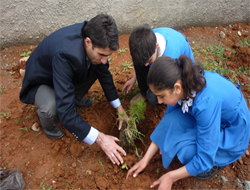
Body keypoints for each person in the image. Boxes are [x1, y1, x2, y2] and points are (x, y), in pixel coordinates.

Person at [126, 55, 250, 189]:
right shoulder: (183, 82)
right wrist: (145, 159)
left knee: (187, 152)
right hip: (213, 118)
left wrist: (170, 177)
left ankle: (219, 161)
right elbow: (169, 122)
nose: (159, 101)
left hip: (233, 133)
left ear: (177, 88)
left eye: (161, 96)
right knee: (173, 118)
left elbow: (204, 159)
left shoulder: (205, 104)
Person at [20, 14, 128, 165]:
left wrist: (120, 109)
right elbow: (67, 114)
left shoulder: (92, 34)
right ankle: (47, 124)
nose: (105, 60)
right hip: (42, 80)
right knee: (53, 108)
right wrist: (102, 139)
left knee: (97, 67)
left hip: (61, 72)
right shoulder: (66, 54)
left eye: (107, 56)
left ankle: (74, 98)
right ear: (88, 42)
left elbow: (104, 75)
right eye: (102, 55)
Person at [122, 24, 195, 105]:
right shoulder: (146, 40)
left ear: (156, 46)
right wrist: (134, 78)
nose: (146, 65)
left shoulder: (170, 57)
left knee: (152, 97)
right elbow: (143, 61)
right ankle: (143, 93)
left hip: (179, 71)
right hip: (159, 58)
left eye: (149, 61)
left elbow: (172, 82)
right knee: (140, 62)